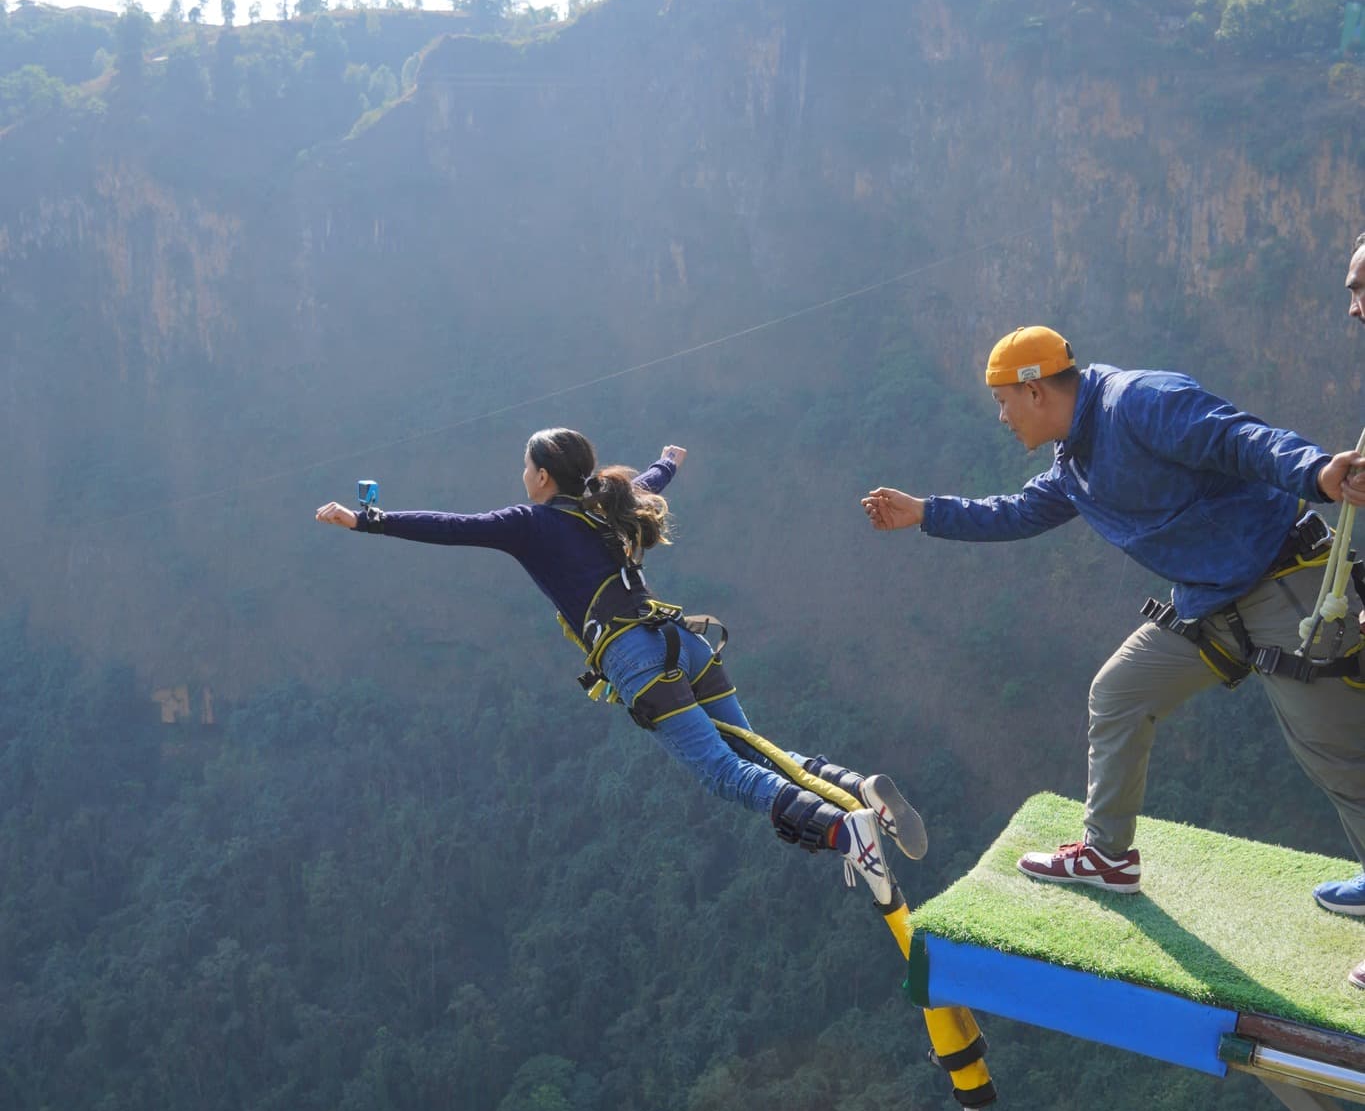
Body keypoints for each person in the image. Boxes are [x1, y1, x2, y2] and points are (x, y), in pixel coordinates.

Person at [860, 325, 1365, 987]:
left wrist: (1314, 471)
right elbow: (1015, 513)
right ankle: (1106, 857)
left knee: (1339, 759)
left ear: (1035, 390)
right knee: (1119, 693)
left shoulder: (1137, 401)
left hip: (1283, 584)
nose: (1000, 417)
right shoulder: (1074, 463)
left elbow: (1235, 437)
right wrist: (925, 513)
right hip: (1211, 602)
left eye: (1004, 401)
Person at [318, 429, 923, 905]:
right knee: (752, 747)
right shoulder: (608, 503)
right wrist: (669, 461)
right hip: (681, 639)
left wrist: (367, 519)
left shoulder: (532, 522)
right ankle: (854, 787)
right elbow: (652, 481)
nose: (522, 478)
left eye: (526, 469)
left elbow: (455, 528)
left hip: (635, 656)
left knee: (723, 773)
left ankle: (846, 832)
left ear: (544, 476)